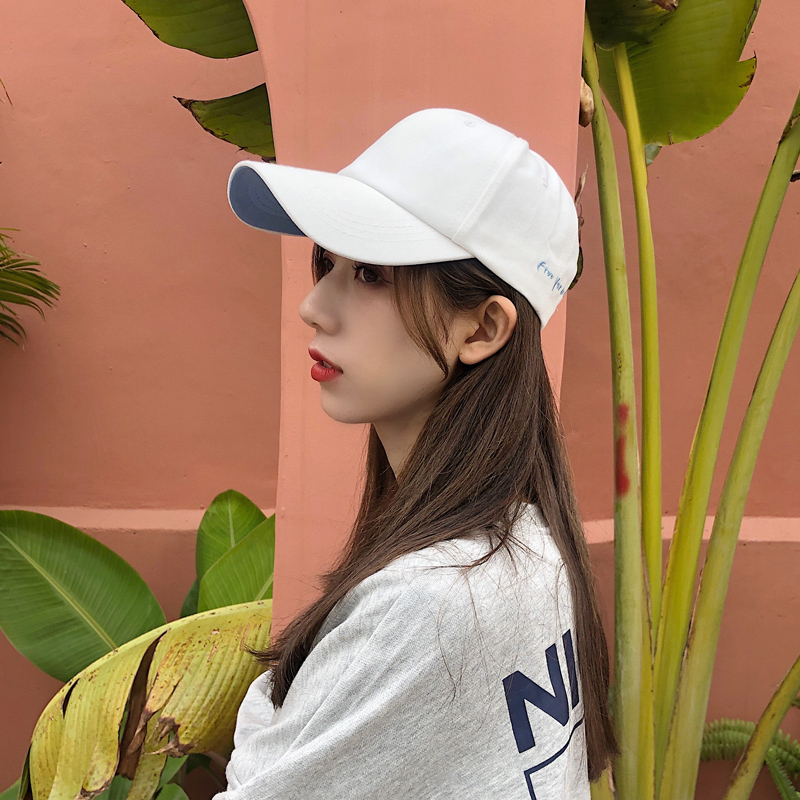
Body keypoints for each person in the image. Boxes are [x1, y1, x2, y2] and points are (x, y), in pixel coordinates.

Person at [217, 107, 618, 799]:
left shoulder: (432, 602)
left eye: (372, 274)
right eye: (327, 262)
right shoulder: (526, 540)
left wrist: (275, 713)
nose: (314, 305)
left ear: (483, 328)